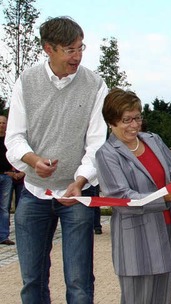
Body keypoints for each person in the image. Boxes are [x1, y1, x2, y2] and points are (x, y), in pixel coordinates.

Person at [5, 16, 108, 303]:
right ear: (48, 49)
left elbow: (97, 143)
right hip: (34, 193)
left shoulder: (96, 85)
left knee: (79, 283)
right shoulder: (26, 82)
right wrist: (32, 159)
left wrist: (80, 181)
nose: (77, 56)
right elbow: (13, 137)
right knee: (32, 280)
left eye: (80, 48)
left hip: (77, 195)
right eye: (69, 50)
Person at [95, 88, 171, 304]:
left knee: (162, 299)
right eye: (126, 120)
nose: (134, 125)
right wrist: (165, 197)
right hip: (136, 242)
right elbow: (122, 198)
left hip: (166, 233)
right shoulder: (107, 154)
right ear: (111, 122)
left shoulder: (153, 140)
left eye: (137, 117)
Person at [0, 115, 15, 245]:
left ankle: (3, 235)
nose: (2, 125)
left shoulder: (9, 141)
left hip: (7, 177)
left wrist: (13, 171)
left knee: (4, 207)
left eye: (4, 123)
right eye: (0, 123)